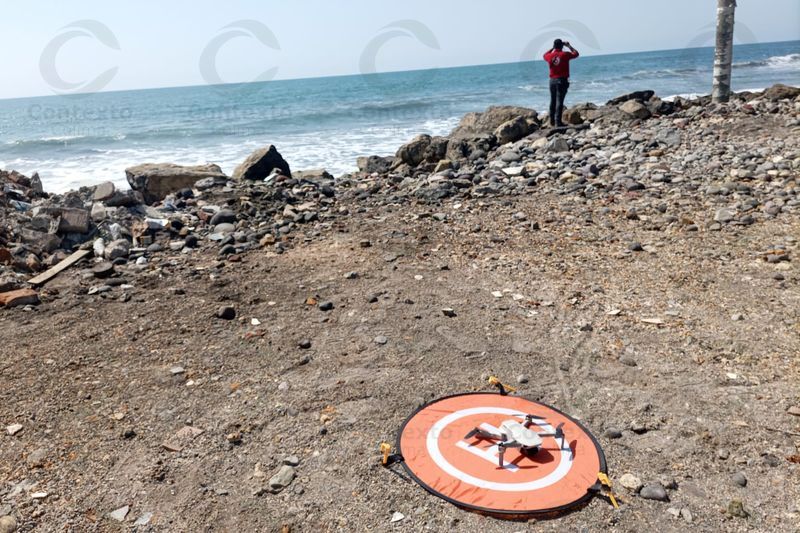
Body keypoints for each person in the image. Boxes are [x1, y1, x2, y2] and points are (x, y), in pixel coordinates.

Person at [543, 39, 580, 128]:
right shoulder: (565, 54)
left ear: (554, 46)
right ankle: (558, 122)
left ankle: (552, 121)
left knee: (553, 100)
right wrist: (569, 46)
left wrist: (552, 48)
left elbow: (544, 55)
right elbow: (576, 54)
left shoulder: (549, 56)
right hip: (562, 80)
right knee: (560, 101)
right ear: (562, 46)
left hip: (552, 81)